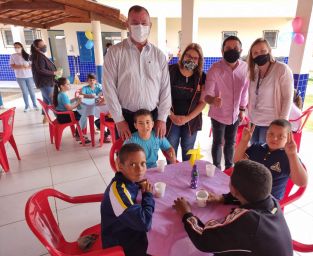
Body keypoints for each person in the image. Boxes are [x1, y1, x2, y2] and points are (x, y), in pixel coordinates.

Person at [173, 159, 293, 256]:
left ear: (235, 190)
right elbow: (250, 198)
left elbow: (204, 240)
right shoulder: (271, 201)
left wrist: (186, 213)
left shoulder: (249, 220)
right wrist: (222, 198)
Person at [103, 5, 171, 141]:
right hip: (125, 118)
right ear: (127, 25)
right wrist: (119, 120)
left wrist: (162, 118)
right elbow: (108, 88)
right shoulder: (115, 53)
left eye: (144, 23)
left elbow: (165, 89)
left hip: (151, 119)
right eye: (134, 23)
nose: (140, 27)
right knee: (126, 159)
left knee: (150, 158)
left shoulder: (159, 55)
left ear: (150, 25)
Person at [101, 143, 154, 256]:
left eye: (143, 163)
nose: (139, 169)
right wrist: (147, 195)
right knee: (157, 245)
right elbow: (144, 223)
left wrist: (138, 185)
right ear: (120, 166)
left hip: (127, 226)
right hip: (119, 240)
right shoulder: (118, 191)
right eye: (132, 164)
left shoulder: (129, 180)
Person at [203, 36, 249, 170]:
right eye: (228, 48)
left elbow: (245, 91)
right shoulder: (215, 69)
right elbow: (207, 95)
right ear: (222, 51)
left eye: (235, 48)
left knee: (231, 142)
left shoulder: (245, 68)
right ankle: (216, 169)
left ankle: (229, 169)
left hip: (235, 114)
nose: (232, 50)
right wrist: (213, 100)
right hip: (219, 114)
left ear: (241, 50)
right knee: (218, 142)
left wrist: (242, 110)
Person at [234, 119, 308, 200]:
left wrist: (293, 155)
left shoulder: (288, 156)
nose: (274, 138)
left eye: (281, 136)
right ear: (266, 133)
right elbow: (237, 161)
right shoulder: (257, 146)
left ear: (288, 138)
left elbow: (301, 182)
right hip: (248, 192)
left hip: (268, 201)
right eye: (271, 134)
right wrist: (244, 141)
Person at [247, 38, 294, 143]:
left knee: (266, 157)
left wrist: (282, 124)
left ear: (269, 51)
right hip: (254, 122)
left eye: (263, 51)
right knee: (254, 155)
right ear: (252, 56)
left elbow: (288, 98)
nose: (259, 55)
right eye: (255, 53)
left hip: (272, 124)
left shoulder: (282, 69)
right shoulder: (254, 72)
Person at [167, 43, 206, 161]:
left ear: (199, 61)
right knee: (170, 151)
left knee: (189, 151)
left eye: (195, 58)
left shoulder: (201, 77)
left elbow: (202, 102)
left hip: (191, 121)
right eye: (188, 56)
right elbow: (160, 96)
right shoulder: (170, 70)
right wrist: (171, 115)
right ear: (183, 56)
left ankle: (187, 178)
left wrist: (187, 118)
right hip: (170, 119)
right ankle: (171, 177)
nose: (191, 60)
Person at [31, 39, 60, 123]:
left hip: (46, 81)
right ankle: (59, 119)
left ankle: (45, 118)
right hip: (45, 82)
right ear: (36, 47)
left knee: (46, 100)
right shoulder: (38, 56)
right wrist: (54, 72)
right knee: (52, 100)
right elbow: (41, 69)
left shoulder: (39, 55)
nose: (44, 46)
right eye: (42, 45)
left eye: (44, 44)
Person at [53, 77, 90, 143]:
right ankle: (79, 135)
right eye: (68, 84)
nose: (70, 85)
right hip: (64, 117)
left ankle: (78, 133)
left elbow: (67, 102)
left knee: (81, 114)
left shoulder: (60, 93)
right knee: (83, 115)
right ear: (62, 86)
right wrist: (78, 103)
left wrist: (75, 99)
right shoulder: (63, 95)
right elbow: (69, 108)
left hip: (61, 115)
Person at [10, 42, 39, 112]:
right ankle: (27, 106)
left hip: (29, 76)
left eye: (18, 47)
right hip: (19, 77)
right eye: (15, 47)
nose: (17, 48)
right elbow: (12, 66)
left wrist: (28, 67)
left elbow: (33, 65)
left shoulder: (28, 55)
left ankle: (35, 105)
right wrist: (21, 67)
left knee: (31, 91)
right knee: (24, 92)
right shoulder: (13, 56)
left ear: (21, 47)